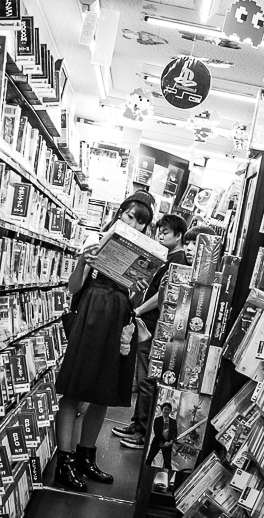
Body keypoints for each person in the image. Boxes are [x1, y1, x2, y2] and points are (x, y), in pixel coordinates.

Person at [54, 191, 155, 492]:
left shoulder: (140, 254)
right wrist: (82, 262)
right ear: (119, 212)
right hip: (91, 317)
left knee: (102, 394)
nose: (134, 224)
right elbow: (73, 288)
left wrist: (140, 287)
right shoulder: (93, 240)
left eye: (141, 222)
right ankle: (65, 461)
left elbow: (133, 300)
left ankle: (87, 457)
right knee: (74, 392)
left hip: (118, 320)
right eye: (130, 216)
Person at [112, 214, 188, 448]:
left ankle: (143, 432)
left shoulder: (179, 261)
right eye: (160, 231)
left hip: (156, 325)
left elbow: (163, 295)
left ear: (179, 235)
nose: (161, 235)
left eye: (166, 232)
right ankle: (137, 423)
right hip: (150, 323)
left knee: (147, 380)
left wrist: (139, 310)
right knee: (142, 375)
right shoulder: (166, 258)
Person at [146, 402, 178, 470]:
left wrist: (171, 441)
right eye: (165, 409)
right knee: (149, 460)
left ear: (170, 411)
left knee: (168, 464)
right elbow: (157, 433)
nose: (166, 411)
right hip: (157, 443)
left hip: (168, 445)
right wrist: (164, 442)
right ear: (162, 409)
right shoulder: (157, 420)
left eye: (168, 409)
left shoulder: (173, 421)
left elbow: (175, 433)